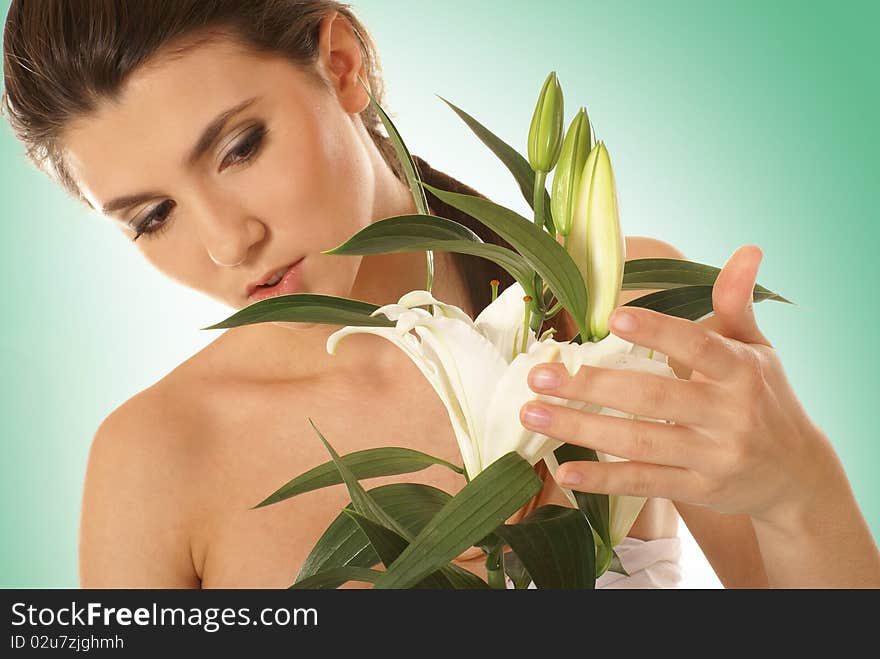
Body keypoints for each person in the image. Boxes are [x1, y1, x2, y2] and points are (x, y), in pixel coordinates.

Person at [2, 0, 877, 589]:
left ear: (340, 64)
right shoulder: (155, 459)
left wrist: (797, 484)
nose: (229, 243)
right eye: (153, 216)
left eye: (239, 148)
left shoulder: (615, 316)